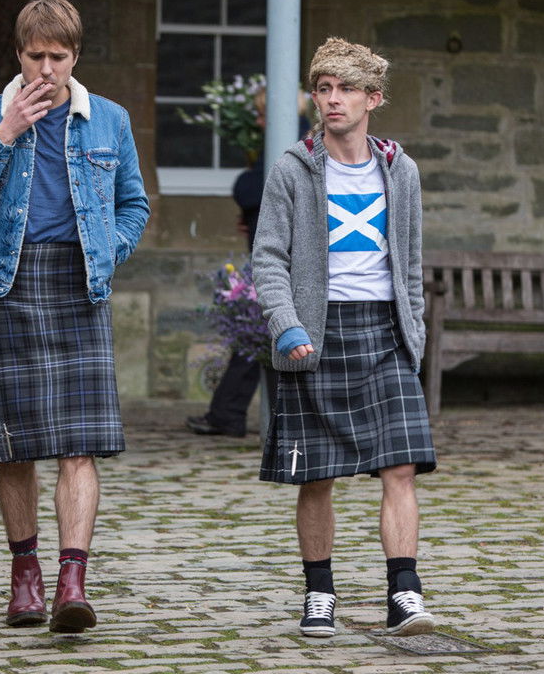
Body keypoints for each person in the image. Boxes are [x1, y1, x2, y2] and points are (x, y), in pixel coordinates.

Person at [0, 0, 150, 634]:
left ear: (75, 57)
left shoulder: (109, 119)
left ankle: (72, 581)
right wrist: (5, 133)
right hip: (10, 280)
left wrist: (108, 252)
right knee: (15, 447)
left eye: (59, 57)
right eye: (37, 57)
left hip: (79, 283)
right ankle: (24, 576)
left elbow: (134, 205)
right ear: (19, 53)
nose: (47, 71)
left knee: (79, 446)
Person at [251, 37, 437, 638]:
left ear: (372, 98)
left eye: (346, 89)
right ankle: (319, 593)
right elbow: (268, 259)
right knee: (317, 474)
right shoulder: (292, 169)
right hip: (317, 332)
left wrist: (415, 332)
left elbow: (408, 263)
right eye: (324, 89)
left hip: (383, 331)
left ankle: (404, 594)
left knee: (401, 467)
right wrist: (286, 324)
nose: (333, 100)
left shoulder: (400, 171)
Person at [186, 93, 310, 439]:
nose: (257, 122)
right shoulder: (288, 141)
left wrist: (248, 198)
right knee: (256, 331)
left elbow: (256, 187)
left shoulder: (293, 143)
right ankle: (228, 412)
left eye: (260, 115)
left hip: (282, 259)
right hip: (272, 252)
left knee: (260, 329)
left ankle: (231, 413)